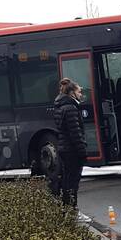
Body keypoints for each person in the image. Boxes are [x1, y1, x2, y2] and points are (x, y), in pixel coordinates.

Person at [53, 78, 87, 208]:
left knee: (67, 180)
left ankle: (66, 207)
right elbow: (75, 133)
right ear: (72, 92)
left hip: (64, 149)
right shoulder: (70, 108)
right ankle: (72, 207)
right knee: (73, 181)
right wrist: (82, 151)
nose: (80, 94)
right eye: (79, 92)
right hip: (71, 150)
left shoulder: (60, 106)